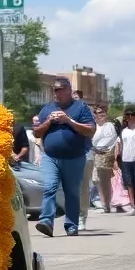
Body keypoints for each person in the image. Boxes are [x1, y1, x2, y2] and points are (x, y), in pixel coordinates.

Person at [33, 76, 96, 237]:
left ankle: (71, 225)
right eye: (55, 89)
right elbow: (37, 132)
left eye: (60, 89)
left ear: (69, 90)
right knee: (49, 187)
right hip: (50, 157)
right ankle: (46, 221)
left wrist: (68, 120)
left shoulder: (80, 107)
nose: (57, 93)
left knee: (72, 192)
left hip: (74, 157)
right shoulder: (47, 109)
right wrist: (48, 121)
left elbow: (90, 130)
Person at [89, 106, 119, 216]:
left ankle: (106, 204)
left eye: (102, 113)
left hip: (105, 156)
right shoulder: (95, 126)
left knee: (104, 181)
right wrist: (93, 147)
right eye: (97, 113)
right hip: (95, 156)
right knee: (97, 181)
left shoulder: (109, 126)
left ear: (106, 114)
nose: (99, 115)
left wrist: (96, 148)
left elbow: (109, 141)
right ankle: (104, 204)